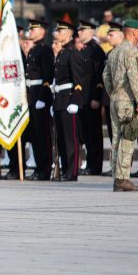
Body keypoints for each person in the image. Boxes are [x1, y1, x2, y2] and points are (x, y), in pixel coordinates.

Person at [103, 20, 138, 192]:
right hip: (127, 100)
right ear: (134, 32)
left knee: (116, 140)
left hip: (115, 99)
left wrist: (113, 92)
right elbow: (135, 78)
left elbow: (105, 76)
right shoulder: (132, 51)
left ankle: (117, 176)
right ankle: (123, 178)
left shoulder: (115, 52)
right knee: (127, 138)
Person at [52, 20, 87, 182]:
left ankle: (72, 171)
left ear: (68, 33)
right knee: (61, 138)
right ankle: (65, 169)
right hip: (59, 99)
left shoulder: (73, 53)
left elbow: (79, 80)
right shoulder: (62, 53)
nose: (57, 34)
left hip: (68, 101)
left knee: (70, 139)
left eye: (60, 31)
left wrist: (75, 101)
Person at [22, 19, 54, 181]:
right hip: (30, 95)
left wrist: (42, 97)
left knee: (43, 135)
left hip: (39, 95)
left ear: (42, 31)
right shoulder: (33, 50)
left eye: (33, 29)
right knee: (34, 135)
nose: (30, 32)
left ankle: (45, 169)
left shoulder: (45, 50)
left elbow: (47, 76)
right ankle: (39, 168)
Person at [77, 20, 106, 176]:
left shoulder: (96, 51)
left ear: (91, 32)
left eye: (83, 30)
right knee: (86, 133)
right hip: (82, 98)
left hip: (91, 97)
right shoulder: (83, 50)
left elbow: (99, 77)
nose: (79, 33)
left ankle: (95, 165)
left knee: (94, 133)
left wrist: (96, 97)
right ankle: (90, 163)